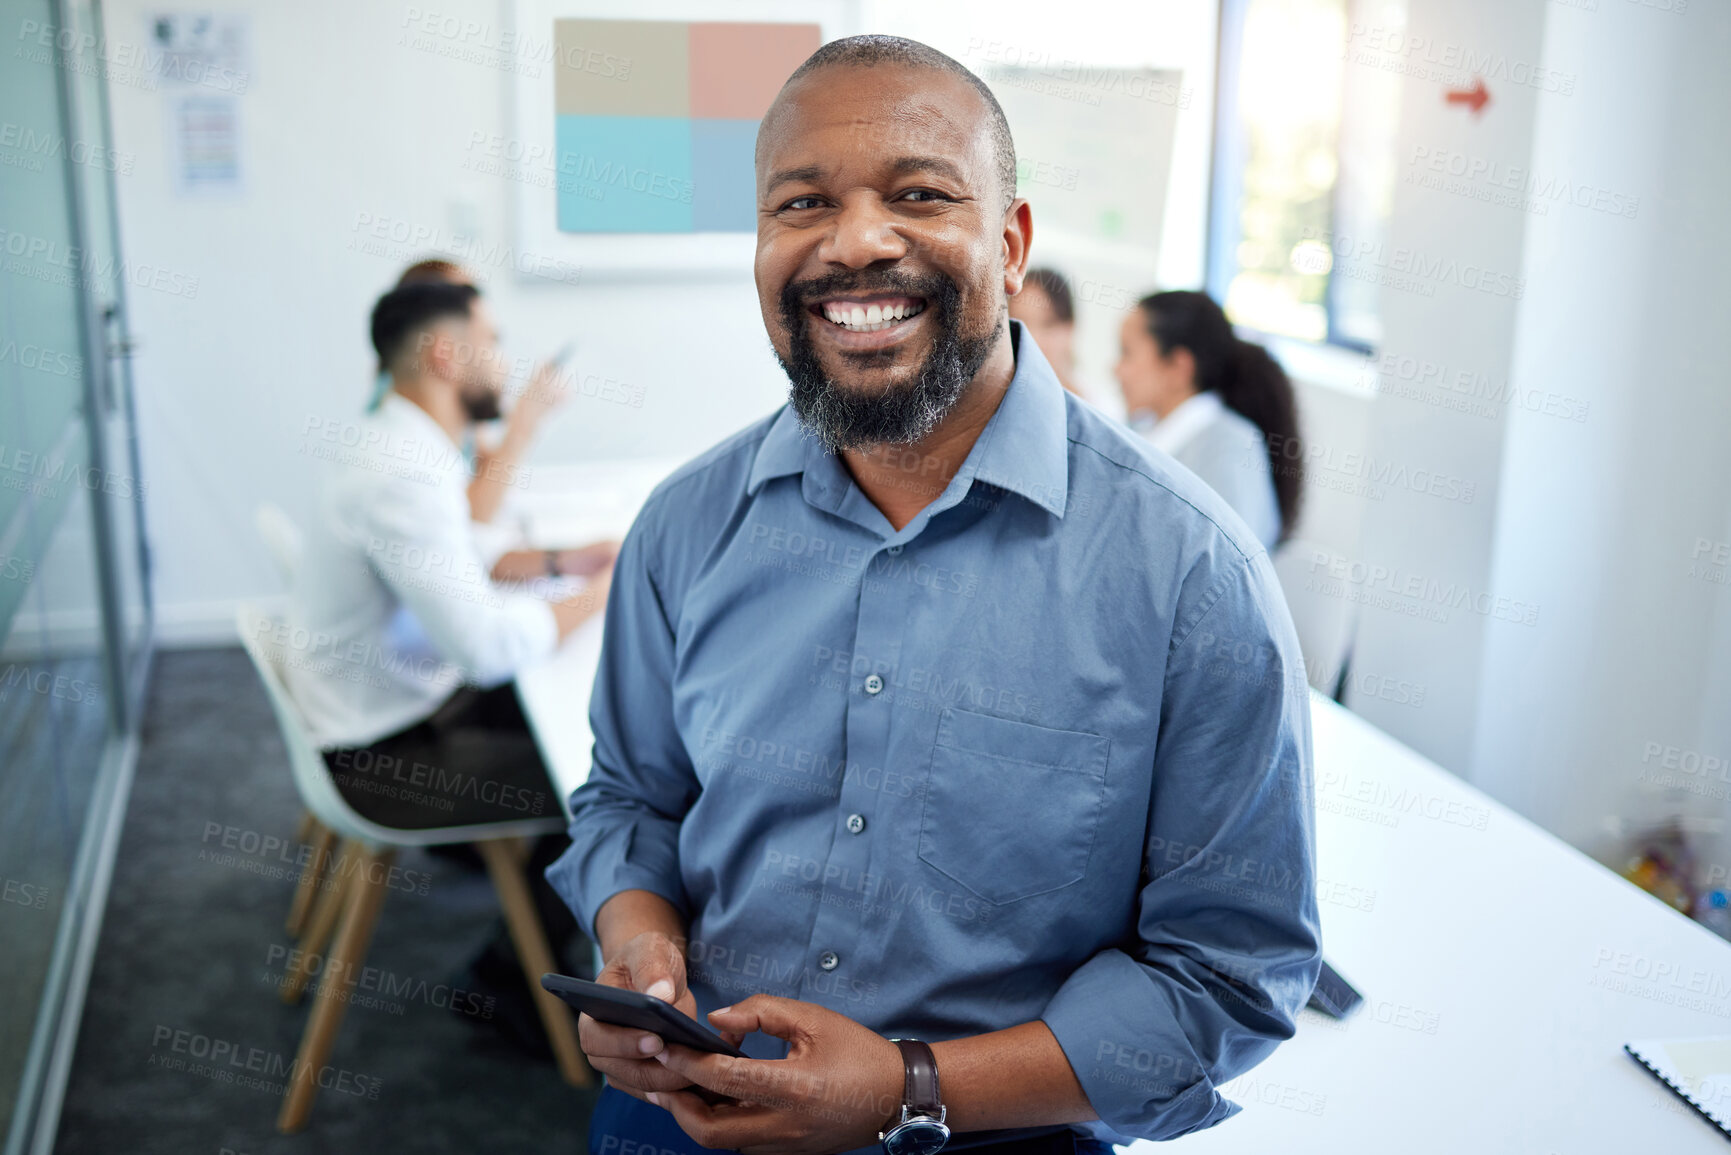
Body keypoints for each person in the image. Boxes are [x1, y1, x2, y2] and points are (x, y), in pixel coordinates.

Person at [547, 35, 1319, 1155]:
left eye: (919, 194)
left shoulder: (1190, 574)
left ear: (1010, 246)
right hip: (680, 1114)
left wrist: (910, 1086)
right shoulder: (686, 523)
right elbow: (630, 799)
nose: (855, 241)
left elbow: (1229, 980)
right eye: (802, 202)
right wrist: (640, 948)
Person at [284, 280, 615, 1044]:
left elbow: (466, 557)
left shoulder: (402, 445)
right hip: (383, 757)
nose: (504, 362)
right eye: (492, 341)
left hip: (399, 700)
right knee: (603, 783)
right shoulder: (399, 472)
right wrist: (601, 590)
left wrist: (569, 559)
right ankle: (504, 982)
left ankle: (524, 950)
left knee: (599, 723)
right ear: (445, 353)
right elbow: (485, 648)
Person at [369, 258, 571, 525]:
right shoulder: (404, 421)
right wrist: (524, 422)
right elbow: (473, 516)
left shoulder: (458, 404)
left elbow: (482, 471)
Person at [1114, 290, 1302, 550]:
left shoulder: (1230, 450)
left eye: (1127, 353)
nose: (1116, 369)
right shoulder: (1144, 430)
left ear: (1179, 368)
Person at [1007, 267, 1080, 395]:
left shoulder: (1103, 408)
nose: (1033, 339)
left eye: (1047, 325)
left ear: (1070, 327)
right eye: (1020, 325)